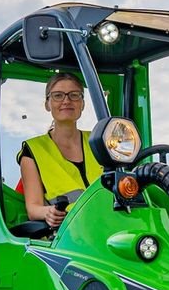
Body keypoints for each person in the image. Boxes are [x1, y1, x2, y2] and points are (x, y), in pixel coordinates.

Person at [18, 72, 105, 229]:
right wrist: (48, 212)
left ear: (83, 103)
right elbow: (33, 208)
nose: (66, 101)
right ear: (47, 104)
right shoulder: (32, 151)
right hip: (68, 234)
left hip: (109, 224)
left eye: (74, 95)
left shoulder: (100, 140)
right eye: (58, 95)